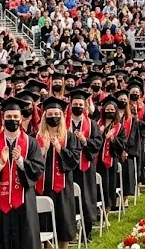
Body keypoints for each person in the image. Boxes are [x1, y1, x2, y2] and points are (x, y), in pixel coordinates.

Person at [0, 96, 45, 249]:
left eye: (15, 116)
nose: (12, 119)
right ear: (3, 118)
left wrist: (21, 161)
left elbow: (38, 168)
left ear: (21, 118)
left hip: (24, 202)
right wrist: (0, 163)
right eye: (8, 116)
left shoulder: (31, 142)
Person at [36, 97, 82, 249]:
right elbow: (31, 160)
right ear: (45, 116)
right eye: (50, 114)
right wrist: (43, 150)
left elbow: (75, 159)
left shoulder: (68, 136)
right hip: (43, 187)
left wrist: (60, 148)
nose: (53, 117)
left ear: (61, 116)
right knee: (45, 222)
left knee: (64, 222)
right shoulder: (36, 137)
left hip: (63, 187)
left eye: (56, 114)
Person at [67, 89, 101, 241]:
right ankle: (70, 232)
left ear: (84, 107)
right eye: (75, 104)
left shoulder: (92, 124)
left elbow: (98, 143)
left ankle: (86, 233)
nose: (78, 106)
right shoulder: (64, 124)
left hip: (86, 168)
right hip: (67, 168)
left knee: (87, 200)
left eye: (81, 104)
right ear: (70, 105)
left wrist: (85, 141)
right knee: (69, 201)